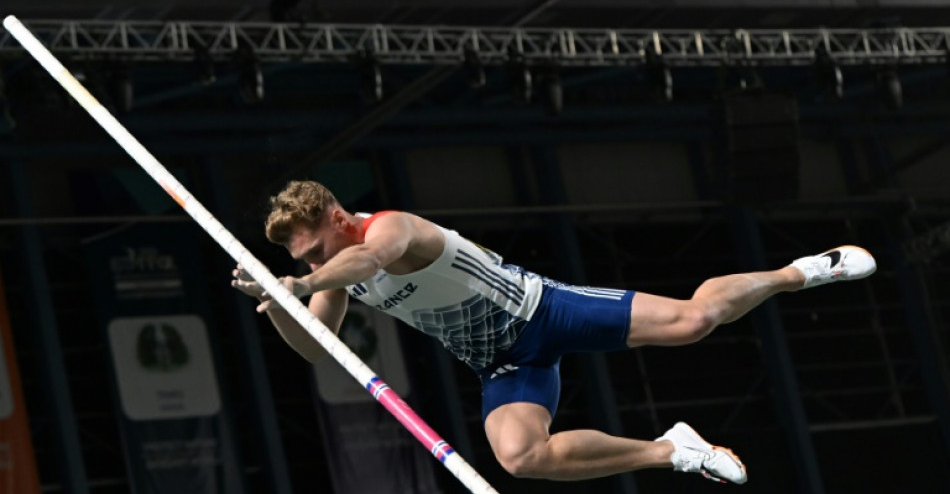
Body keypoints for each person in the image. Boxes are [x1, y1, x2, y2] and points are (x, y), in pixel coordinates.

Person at [231, 180, 877, 485]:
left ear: (338, 218)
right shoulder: (329, 275)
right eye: (303, 263)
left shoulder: (388, 230)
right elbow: (316, 347)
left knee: (694, 320)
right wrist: (280, 303)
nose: (311, 267)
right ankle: (672, 450)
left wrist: (301, 286)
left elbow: (369, 260)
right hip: (502, 363)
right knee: (520, 457)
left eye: (314, 252)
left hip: (544, 310)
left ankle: (799, 272)